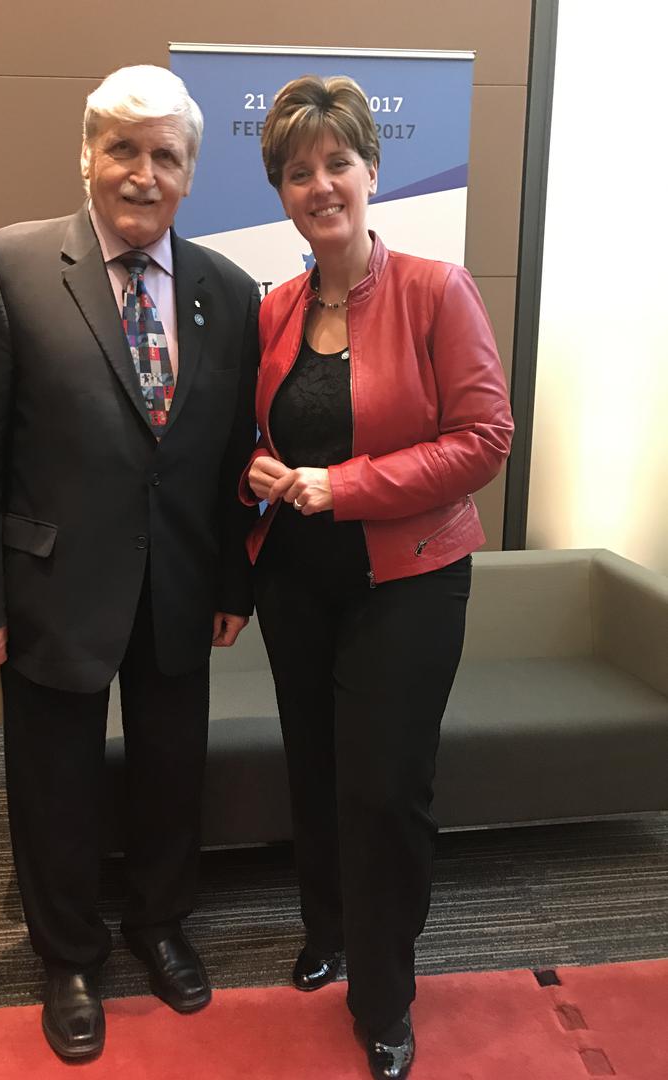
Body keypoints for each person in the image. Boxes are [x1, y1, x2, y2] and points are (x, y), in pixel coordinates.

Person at [0, 65, 259, 1062]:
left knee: (170, 775)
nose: (143, 171)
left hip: (179, 589)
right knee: (55, 784)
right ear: (87, 154)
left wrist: (232, 584)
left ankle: (160, 927)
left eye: (167, 154)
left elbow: (230, 455)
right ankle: (67, 957)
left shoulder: (230, 290)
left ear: (192, 172)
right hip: (51, 589)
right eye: (124, 146)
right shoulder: (8, 267)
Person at [241, 75, 513, 1080]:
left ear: (372, 171)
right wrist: (261, 472)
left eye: (337, 163)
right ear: (282, 191)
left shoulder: (439, 289)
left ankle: (386, 995)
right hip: (297, 586)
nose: (321, 184)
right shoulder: (271, 310)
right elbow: (251, 441)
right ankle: (330, 930)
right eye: (298, 171)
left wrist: (340, 484)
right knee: (315, 770)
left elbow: (487, 438)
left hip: (410, 582)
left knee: (385, 789)